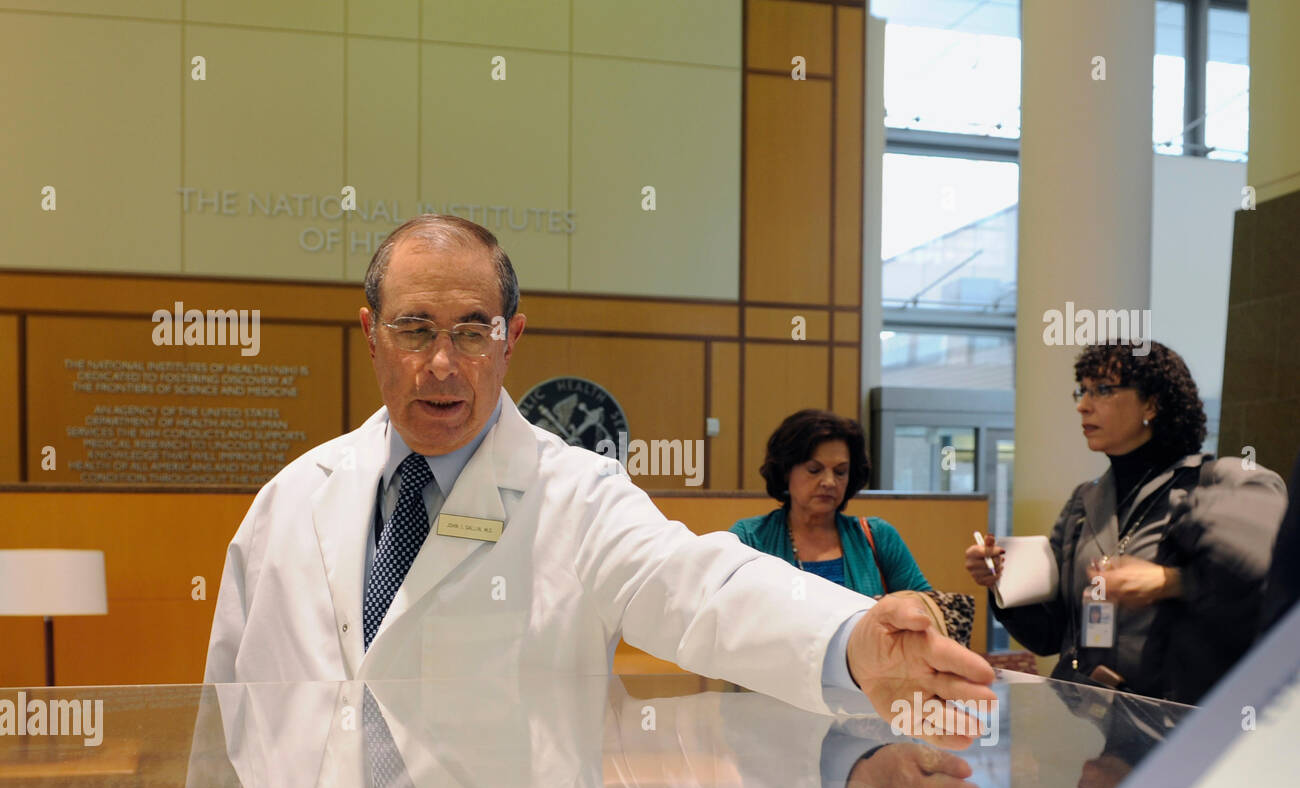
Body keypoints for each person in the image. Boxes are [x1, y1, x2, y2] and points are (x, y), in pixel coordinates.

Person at [204, 215, 995, 745]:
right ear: (371, 334)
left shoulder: (579, 496)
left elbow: (696, 584)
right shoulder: (292, 501)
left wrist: (847, 641)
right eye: (414, 329)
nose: (442, 364)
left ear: (511, 338)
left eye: (472, 331)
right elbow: (225, 718)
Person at [964, 341, 1286, 705]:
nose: (1083, 405)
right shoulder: (1085, 501)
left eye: (1103, 390)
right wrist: (1001, 583)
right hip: (1089, 720)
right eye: (1082, 391)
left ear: (1152, 403)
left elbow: (1270, 583)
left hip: (1181, 726)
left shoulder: (1226, 481)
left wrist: (1171, 582)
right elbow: (1051, 635)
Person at [730, 410, 930, 594]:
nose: (829, 482)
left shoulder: (877, 536)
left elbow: (927, 605)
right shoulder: (750, 538)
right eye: (814, 470)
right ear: (786, 471)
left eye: (840, 471)